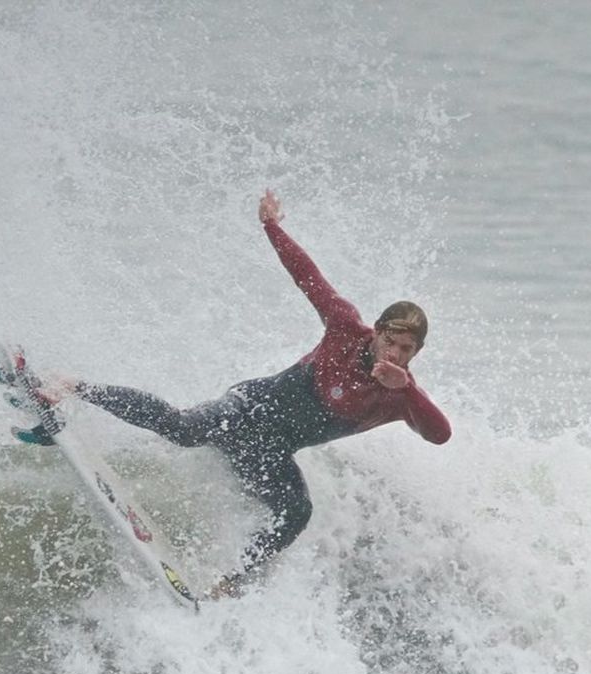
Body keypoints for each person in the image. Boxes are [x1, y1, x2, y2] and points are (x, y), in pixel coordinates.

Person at [39, 189, 451, 599]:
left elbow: (439, 434)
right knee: (183, 428)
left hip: (268, 451)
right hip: (247, 407)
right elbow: (308, 277)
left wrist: (407, 388)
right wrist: (271, 225)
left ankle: (229, 585)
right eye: (390, 343)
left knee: (296, 513)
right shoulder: (345, 328)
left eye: (406, 350)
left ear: (417, 352)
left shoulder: (400, 398)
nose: (395, 354)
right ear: (377, 332)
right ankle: (73, 386)